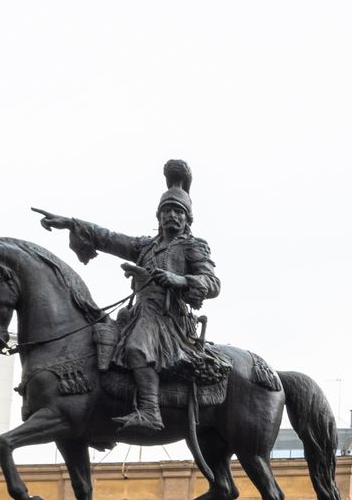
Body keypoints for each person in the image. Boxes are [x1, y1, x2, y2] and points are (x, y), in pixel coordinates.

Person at [37, 160, 220, 433]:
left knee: (136, 347)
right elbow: (108, 237)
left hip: (168, 318)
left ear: (187, 219)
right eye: (167, 210)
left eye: (178, 212)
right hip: (139, 313)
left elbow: (213, 283)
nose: (172, 215)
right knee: (96, 338)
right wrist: (70, 223)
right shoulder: (145, 246)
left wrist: (179, 280)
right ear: (158, 216)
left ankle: (150, 410)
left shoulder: (193, 247)